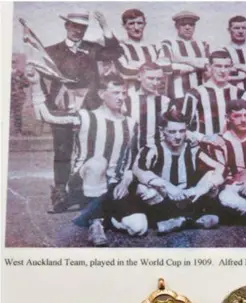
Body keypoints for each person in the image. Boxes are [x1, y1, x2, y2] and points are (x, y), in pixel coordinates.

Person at [29, 72, 145, 246]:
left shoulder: (129, 123)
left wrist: (128, 175)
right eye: (116, 93)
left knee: (139, 227)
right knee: (98, 163)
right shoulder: (85, 117)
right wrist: (36, 84)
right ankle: (96, 222)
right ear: (101, 94)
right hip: (82, 182)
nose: (121, 97)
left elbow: (132, 155)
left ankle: (105, 218)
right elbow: (46, 116)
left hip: (112, 184)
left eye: (123, 93)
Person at [42, 9, 123, 213]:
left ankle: (82, 192)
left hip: (90, 107)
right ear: (67, 26)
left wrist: (104, 26)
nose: (78, 30)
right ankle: (60, 193)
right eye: (74, 26)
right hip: (61, 109)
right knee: (63, 150)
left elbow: (116, 52)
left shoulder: (93, 49)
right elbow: (41, 79)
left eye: (82, 27)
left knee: (90, 150)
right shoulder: (50, 50)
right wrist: (47, 103)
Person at [133, 110, 224, 234]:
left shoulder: (192, 149)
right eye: (172, 132)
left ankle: (180, 221)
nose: (178, 136)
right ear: (162, 131)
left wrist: (201, 188)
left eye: (182, 131)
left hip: (187, 197)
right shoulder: (153, 149)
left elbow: (219, 167)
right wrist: (167, 186)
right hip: (164, 199)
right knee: (142, 188)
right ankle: (188, 220)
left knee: (213, 180)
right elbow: (138, 169)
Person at [181, 49, 246, 136]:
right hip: (205, 146)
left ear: (231, 68)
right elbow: (183, 127)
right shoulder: (194, 93)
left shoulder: (240, 93)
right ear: (209, 67)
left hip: (233, 145)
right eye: (218, 66)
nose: (223, 71)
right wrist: (205, 139)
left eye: (227, 66)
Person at [116, 8, 171, 94]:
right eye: (131, 23)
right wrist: (155, 65)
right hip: (131, 97)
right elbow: (125, 72)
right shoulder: (120, 47)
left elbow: (167, 69)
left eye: (139, 23)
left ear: (145, 24)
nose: (136, 27)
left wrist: (134, 64)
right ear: (124, 26)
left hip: (155, 96)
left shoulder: (156, 46)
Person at [161, 11, 210, 100]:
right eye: (183, 24)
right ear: (176, 26)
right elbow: (166, 68)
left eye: (191, 24)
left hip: (200, 93)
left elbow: (208, 66)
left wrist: (180, 60)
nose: (188, 27)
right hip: (177, 94)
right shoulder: (168, 43)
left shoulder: (203, 44)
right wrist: (197, 66)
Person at [123, 62, 173, 149]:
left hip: (158, 152)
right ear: (139, 77)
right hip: (132, 152)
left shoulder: (165, 102)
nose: (155, 83)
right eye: (151, 78)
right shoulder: (127, 102)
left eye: (158, 79)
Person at [10, 56, 29, 135]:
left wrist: (19, 80)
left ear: (16, 63)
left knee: (17, 114)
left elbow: (27, 84)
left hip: (17, 96)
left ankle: (18, 131)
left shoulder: (20, 73)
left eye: (14, 62)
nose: (12, 64)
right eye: (11, 62)